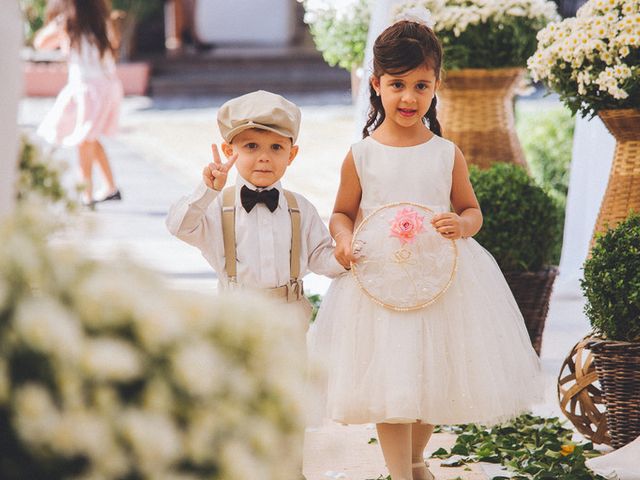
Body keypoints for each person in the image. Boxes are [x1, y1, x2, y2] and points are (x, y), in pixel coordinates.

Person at [307, 18, 543, 480]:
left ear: (437, 85)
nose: (409, 98)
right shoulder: (361, 156)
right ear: (376, 85)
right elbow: (340, 212)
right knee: (390, 382)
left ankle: (416, 461)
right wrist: (344, 239)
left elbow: (471, 209)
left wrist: (462, 224)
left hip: (441, 281)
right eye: (397, 85)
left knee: (429, 376)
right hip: (378, 285)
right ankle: (401, 473)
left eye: (421, 85)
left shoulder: (445, 153)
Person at [166, 89, 345, 334]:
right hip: (235, 319)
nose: (264, 157)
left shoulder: (300, 208)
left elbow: (320, 257)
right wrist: (207, 191)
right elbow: (179, 227)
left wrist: (342, 257)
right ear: (229, 151)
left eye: (276, 148)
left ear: (291, 154)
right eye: (251, 146)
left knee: (289, 373)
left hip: (288, 320)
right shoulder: (219, 206)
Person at [34, 0, 123, 207]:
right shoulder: (102, 21)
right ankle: (111, 188)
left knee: (84, 140)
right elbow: (114, 45)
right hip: (106, 86)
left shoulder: (69, 22)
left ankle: (86, 195)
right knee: (89, 138)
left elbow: (41, 43)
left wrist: (58, 23)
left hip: (87, 88)